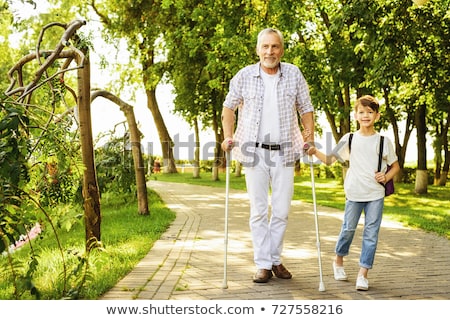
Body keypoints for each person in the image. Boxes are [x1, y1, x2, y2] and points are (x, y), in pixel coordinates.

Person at [221, 28, 315, 283]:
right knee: (259, 210)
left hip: (285, 151)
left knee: (282, 210)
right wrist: (228, 136)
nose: (269, 52)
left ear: (281, 50)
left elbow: (306, 108)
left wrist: (309, 139)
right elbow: (228, 107)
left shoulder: (293, 73)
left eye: (274, 47)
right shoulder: (244, 76)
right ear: (257, 50)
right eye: (265, 47)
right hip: (253, 151)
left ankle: (274, 258)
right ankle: (264, 264)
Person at [307, 95, 400, 291]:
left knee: (371, 234)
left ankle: (363, 274)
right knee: (348, 229)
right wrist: (314, 152)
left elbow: (395, 166)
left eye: (370, 112)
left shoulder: (383, 141)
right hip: (354, 192)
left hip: (375, 193)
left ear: (377, 115)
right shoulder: (349, 138)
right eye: (361, 112)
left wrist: (386, 177)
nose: (365, 115)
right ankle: (338, 261)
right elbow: (330, 160)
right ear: (355, 115)